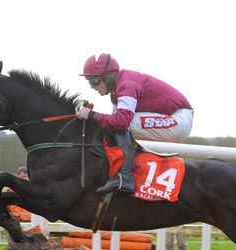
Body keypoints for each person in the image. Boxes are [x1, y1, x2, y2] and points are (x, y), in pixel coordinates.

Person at [76, 53, 193, 195]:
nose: (92, 87)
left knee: (121, 123)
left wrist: (92, 115)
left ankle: (125, 176)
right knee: (114, 124)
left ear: (108, 76)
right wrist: (93, 116)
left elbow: (120, 122)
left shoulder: (126, 84)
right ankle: (122, 172)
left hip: (179, 120)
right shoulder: (116, 91)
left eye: (94, 81)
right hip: (173, 118)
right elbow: (112, 122)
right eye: (89, 81)